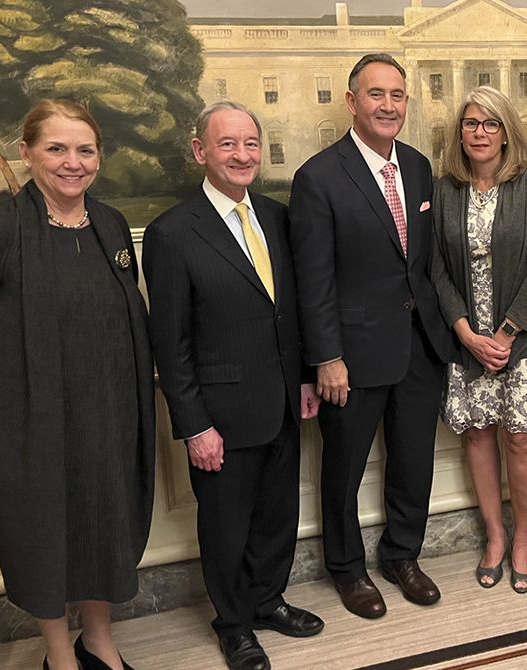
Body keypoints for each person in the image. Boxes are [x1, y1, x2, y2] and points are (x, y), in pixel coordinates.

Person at [0, 99, 154, 670]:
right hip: (33, 427)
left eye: (85, 149)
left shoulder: (110, 225)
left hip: (107, 415)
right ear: (26, 153)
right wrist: (3, 386)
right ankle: (59, 656)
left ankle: (99, 642)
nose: (72, 162)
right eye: (56, 148)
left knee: (105, 523)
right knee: (41, 535)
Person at [143, 101, 324, 670]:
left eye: (250, 143)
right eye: (227, 144)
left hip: (281, 402)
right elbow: (169, 345)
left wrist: (301, 380)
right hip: (219, 414)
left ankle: (269, 601)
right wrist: (194, 424)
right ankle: (234, 624)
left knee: (277, 516)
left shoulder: (275, 215)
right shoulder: (172, 233)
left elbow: (287, 312)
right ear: (200, 151)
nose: (242, 155)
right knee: (225, 528)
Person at [289, 54, 456, 619]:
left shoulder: (416, 167)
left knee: (414, 462)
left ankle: (401, 556)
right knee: (344, 468)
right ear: (352, 101)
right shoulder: (317, 177)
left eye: (397, 95)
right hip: (352, 357)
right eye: (376, 94)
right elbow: (313, 280)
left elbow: (422, 263)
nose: (388, 105)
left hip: (419, 347)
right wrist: (326, 357)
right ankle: (348, 568)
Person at [431, 86, 527, 594]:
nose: (480, 132)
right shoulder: (446, 187)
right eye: (471, 123)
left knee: (520, 437)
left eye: (491, 123)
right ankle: (494, 535)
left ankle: (523, 540)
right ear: (460, 132)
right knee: (477, 435)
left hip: (525, 340)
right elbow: (437, 269)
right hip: (469, 341)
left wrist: (507, 332)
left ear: (508, 129)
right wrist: (466, 332)